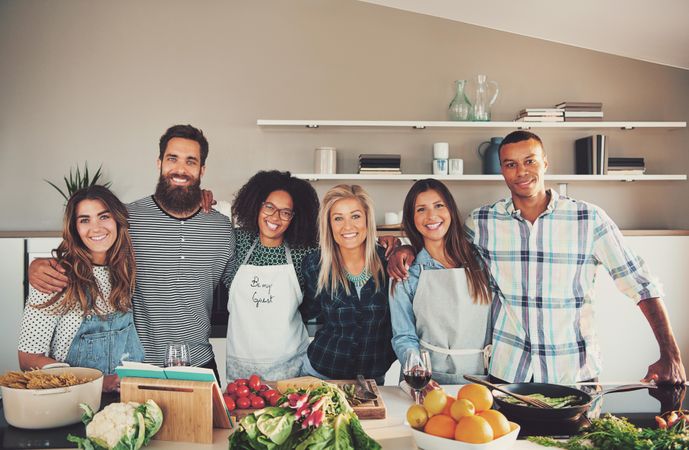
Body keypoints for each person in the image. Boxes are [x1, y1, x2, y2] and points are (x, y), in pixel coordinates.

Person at [389, 130, 686, 385]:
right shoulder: (482, 222)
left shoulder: (589, 219)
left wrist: (670, 354)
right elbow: (440, 244)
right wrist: (406, 248)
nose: (521, 171)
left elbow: (642, 284)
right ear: (502, 171)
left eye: (529, 161)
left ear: (545, 162)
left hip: (573, 372)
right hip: (507, 375)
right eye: (511, 164)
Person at [29, 125, 235, 381]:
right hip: (138, 366)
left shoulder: (220, 227)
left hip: (200, 363)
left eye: (190, 161)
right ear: (159, 162)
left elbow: (240, 285)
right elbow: (85, 245)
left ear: (201, 170)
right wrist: (38, 265)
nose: (180, 169)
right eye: (172, 159)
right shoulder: (127, 218)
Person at [18, 185, 144, 392]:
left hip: (128, 399)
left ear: (117, 220)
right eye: (85, 220)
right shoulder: (54, 278)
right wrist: (95, 383)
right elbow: (28, 359)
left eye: (103, 217)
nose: (96, 228)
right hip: (73, 402)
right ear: (74, 228)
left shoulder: (128, 271)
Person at [390, 179, 492, 384]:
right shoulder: (406, 272)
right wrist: (417, 371)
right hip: (428, 379)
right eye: (421, 209)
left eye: (439, 206)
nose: (431, 216)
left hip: (480, 377)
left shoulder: (481, 261)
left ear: (451, 211)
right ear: (412, 219)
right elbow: (404, 336)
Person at [224, 170, 319, 381]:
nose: (275, 217)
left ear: (295, 218)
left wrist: (389, 243)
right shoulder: (237, 242)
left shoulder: (303, 251)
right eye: (269, 207)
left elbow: (341, 245)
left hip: (291, 365)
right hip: (241, 368)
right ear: (257, 205)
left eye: (285, 212)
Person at [300, 184, 396, 385]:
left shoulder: (389, 261)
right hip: (321, 374)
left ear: (367, 219)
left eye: (355, 216)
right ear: (329, 224)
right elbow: (306, 312)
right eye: (338, 218)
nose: (348, 226)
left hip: (373, 379)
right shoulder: (315, 265)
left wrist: (406, 249)